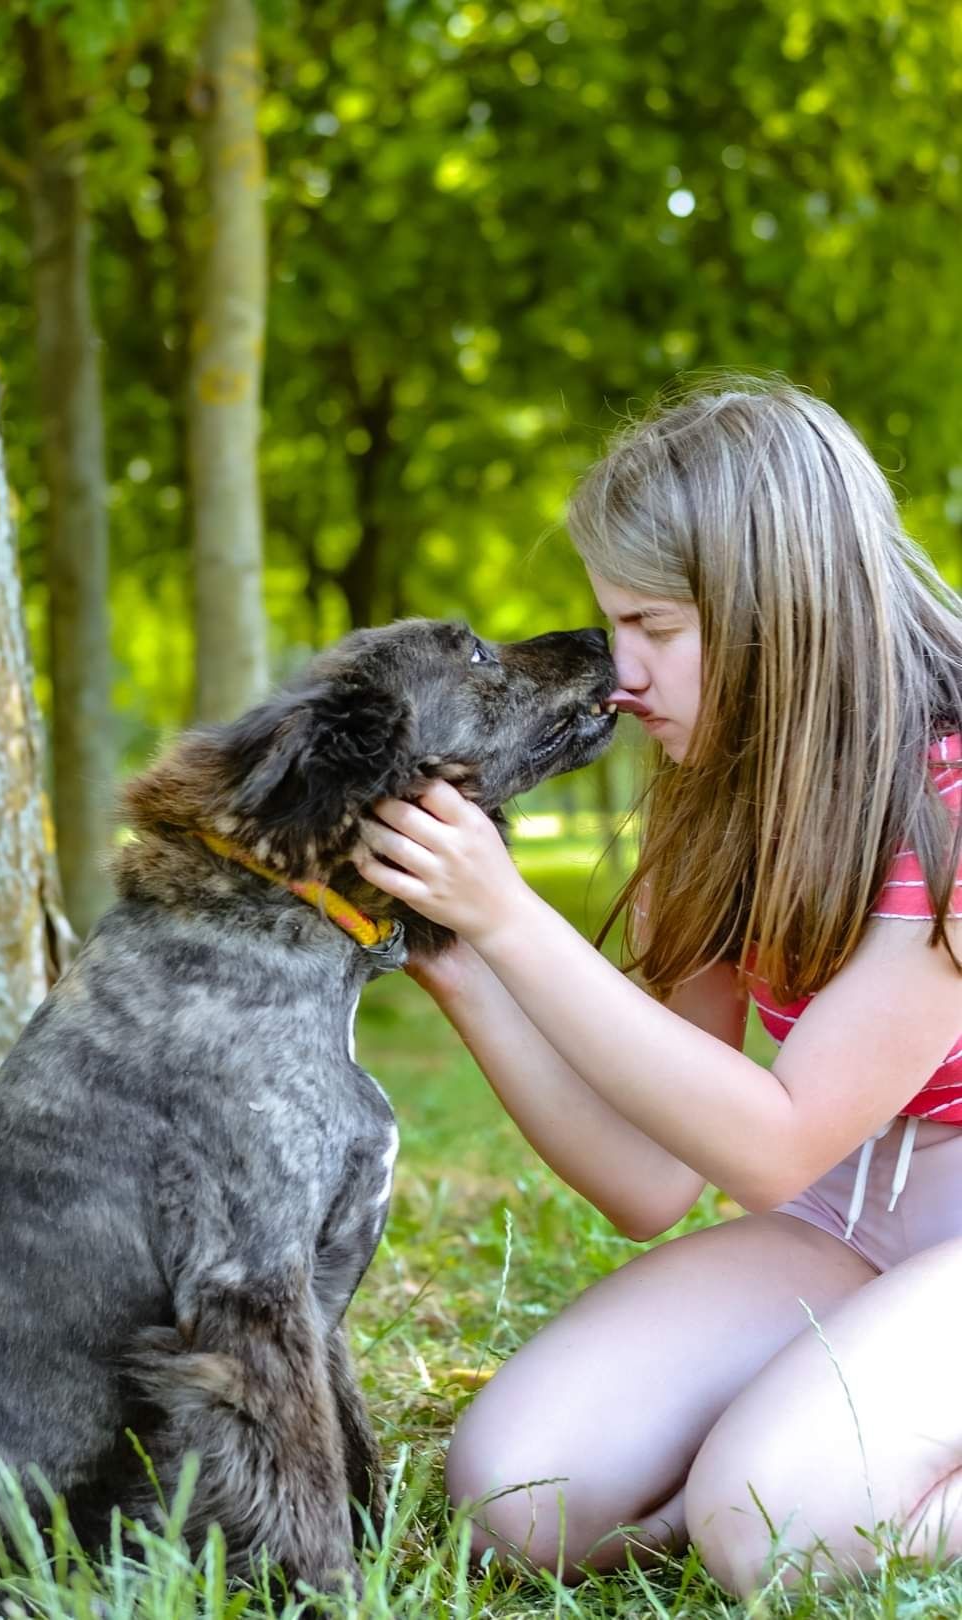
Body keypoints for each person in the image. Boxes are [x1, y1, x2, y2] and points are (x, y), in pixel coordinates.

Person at [352, 378, 962, 1595]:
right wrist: (463, 963)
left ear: (778, 608)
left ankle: (798, 1465)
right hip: (846, 1223)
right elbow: (650, 1178)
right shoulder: (732, 792)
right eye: (612, 625)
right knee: (520, 1494)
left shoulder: (947, 798)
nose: (621, 676)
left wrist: (513, 913)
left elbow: (774, 1145)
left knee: (764, 1528)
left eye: (657, 628)